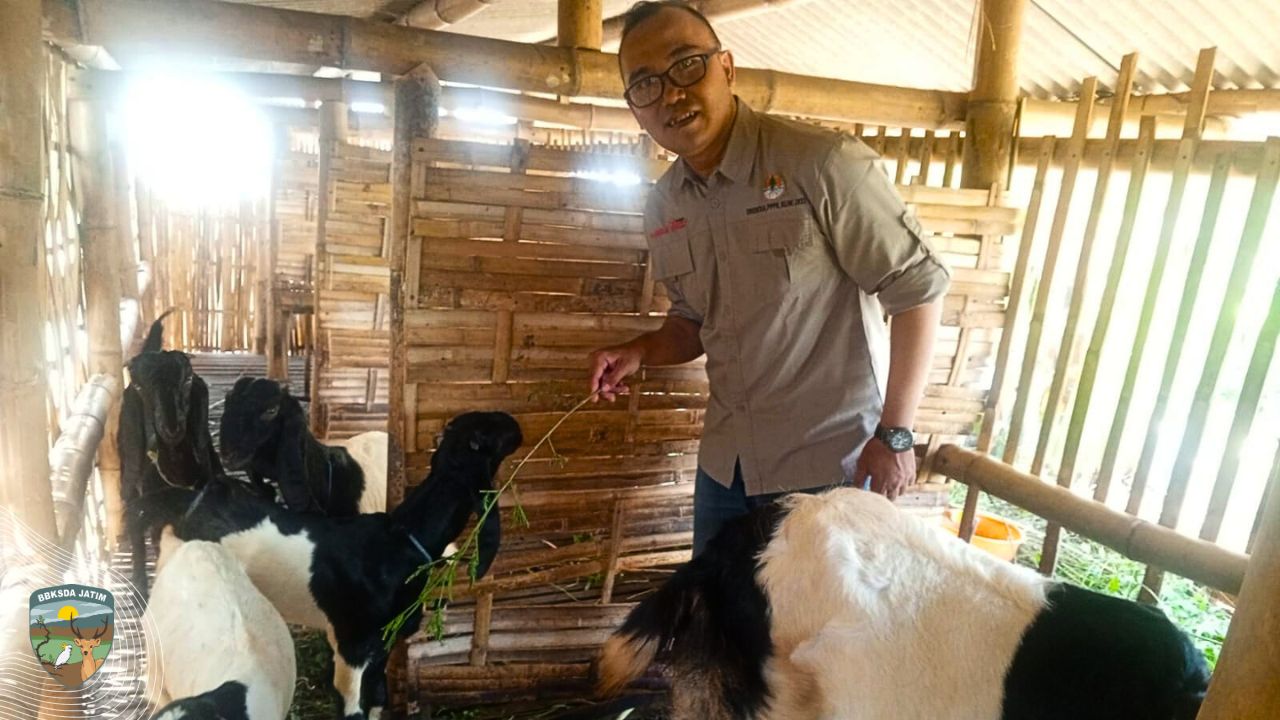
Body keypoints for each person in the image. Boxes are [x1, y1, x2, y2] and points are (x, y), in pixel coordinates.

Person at [587, 0, 951, 555]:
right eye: (645, 85)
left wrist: (896, 434)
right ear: (635, 110)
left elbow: (918, 289)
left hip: (830, 470)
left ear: (727, 67)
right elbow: (691, 324)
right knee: (723, 632)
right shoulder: (665, 205)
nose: (671, 95)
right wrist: (639, 351)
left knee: (820, 639)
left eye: (687, 65)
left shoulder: (823, 164)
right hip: (725, 470)